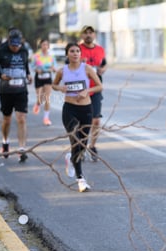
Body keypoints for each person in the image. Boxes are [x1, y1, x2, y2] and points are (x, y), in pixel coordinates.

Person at [52, 42, 103, 192]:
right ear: (67, 54)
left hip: (86, 109)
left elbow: (100, 86)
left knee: (82, 145)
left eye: (77, 51)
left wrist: (87, 91)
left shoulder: (87, 69)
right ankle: (80, 179)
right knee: (76, 142)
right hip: (69, 110)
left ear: (81, 54)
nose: (75, 53)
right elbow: (54, 85)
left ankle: (71, 158)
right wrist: (60, 87)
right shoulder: (62, 71)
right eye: (72, 51)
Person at [0, 28, 33, 163]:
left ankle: (21, 149)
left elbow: (25, 65)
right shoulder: (1, 51)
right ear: (9, 41)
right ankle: (5, 141)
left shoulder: (24, 50)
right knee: (7, 120)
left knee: (22, 118)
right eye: (13, 45)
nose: (15, 48)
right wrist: (1, 76)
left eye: (17, 45)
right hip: (6, 91)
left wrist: (28, 75)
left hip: (21, 90)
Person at [79, 25, 107, 161]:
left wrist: (103, 69)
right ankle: (81, 146)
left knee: (96, 120)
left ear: (94, 35)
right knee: (83, 121)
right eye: (86, 33)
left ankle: (92, 146)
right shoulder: (77, 49)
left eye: (91, 32)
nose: (88, 35)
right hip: (81, 89)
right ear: (82, 36)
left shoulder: (100, 49)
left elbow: (105, 63)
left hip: (96, 88)